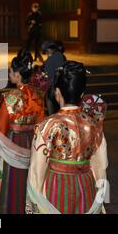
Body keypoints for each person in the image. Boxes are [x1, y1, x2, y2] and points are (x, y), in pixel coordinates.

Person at [26, 61, 108, 214]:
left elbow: (37, 170)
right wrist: (100, 195)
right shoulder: (94, 123)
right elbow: (101, 165)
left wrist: (33, 204)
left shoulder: (48, 125)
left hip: (56, 185)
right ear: (82, 93)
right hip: (86, 184)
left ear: (57, 92)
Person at [0, 49, 45, 214]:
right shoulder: (37, 96)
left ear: (17, 75)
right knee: (29, 178)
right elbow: (41, 124)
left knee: (12, 180)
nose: (9, 73)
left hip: (13, 142)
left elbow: (1, 127)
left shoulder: (10, 98)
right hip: (31, 141)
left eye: (11, 71)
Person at [42, 41, 66, 115]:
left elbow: (49, 75)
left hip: (53, 89)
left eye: (47, 51)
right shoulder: (61, 56)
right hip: (63, 87)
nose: (47, 53)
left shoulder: (49, 61)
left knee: (52, 113)